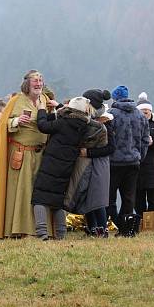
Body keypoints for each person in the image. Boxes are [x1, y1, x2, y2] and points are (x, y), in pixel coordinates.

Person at [0, 69, 55, 238]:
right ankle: (19, 229)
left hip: (41, 155)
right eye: (35, 81)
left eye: (41, 81)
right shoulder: (16, 101)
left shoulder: (45, 100)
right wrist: (16, 121)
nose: (39, 84)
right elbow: (3, 123)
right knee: (22, 192)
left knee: (40, 192)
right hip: (22, 154)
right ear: (27, 83)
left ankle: (41, 229)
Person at [31, 96, 91, 240]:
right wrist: (59, 108)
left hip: (51, 163)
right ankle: (61, 234)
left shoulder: (64, 123)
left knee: (40, 198)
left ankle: (42, 232)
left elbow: (43, 126)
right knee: (58, 201)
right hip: (67, 166)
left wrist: (41, 111)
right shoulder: (84, 126)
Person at [65, 90, 115, 237]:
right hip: (86, 163)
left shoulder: (105, 122)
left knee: (97, 198)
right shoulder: (85, 121)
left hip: (98, 164)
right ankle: (92, 227)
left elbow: (110, 147)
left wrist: (89, 152)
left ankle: (101, 228)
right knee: (85, 196)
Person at [108, 84, 150, 237]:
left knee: (109, 197)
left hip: (114, 163)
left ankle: (116, 223)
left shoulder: (111, 114)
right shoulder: (140, 115)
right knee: (128, 198)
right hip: (133, 162)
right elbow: (145, 140)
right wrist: (140, 156)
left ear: (115, 98)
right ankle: (126, 228)